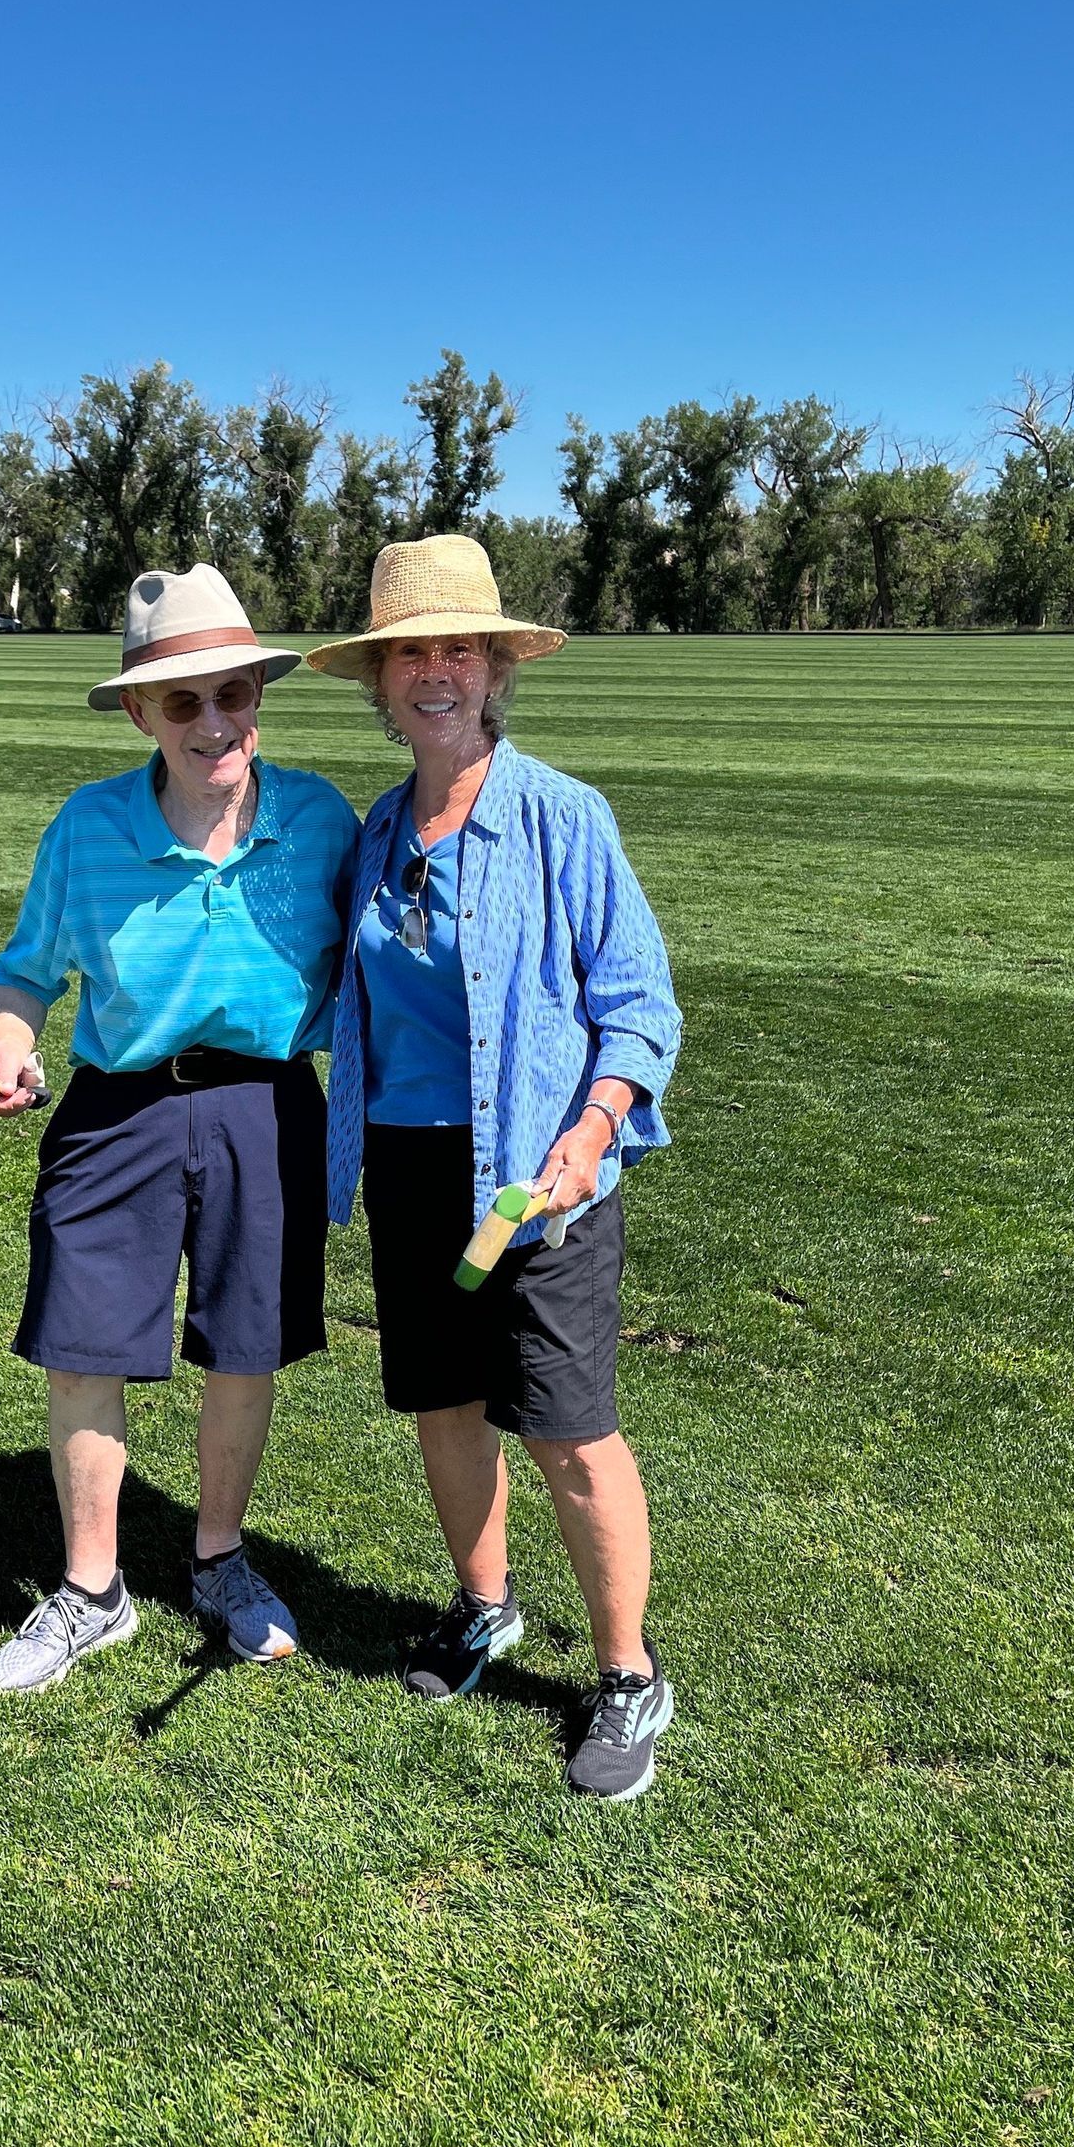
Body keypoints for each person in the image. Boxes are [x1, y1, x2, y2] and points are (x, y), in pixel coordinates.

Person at [312, 535, 683, 1800]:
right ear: (381, 680)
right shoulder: (377, 830)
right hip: (412, 1173)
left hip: (540, 1184)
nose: (436, 670)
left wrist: (594, 1131)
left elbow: (638, 1005)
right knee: (445, 1405)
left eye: (459, 648)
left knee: (571, 1432)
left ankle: (628, 1674)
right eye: (411, 651)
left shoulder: (563, 816)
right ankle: (486, 1605)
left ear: (494, 668)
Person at [0, 564, 360, 1695]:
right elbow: (24, 971)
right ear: (140, 712)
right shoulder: (89, 826)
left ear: (258, 696)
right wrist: (9, 1039)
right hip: (118, 1109)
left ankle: (219, 1560)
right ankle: (92, 1591)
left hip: (269, 1109)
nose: (213, 722)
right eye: (182, 701)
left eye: (231, 693)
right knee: (83, 1349)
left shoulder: (322, 822)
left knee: (245, 1347)